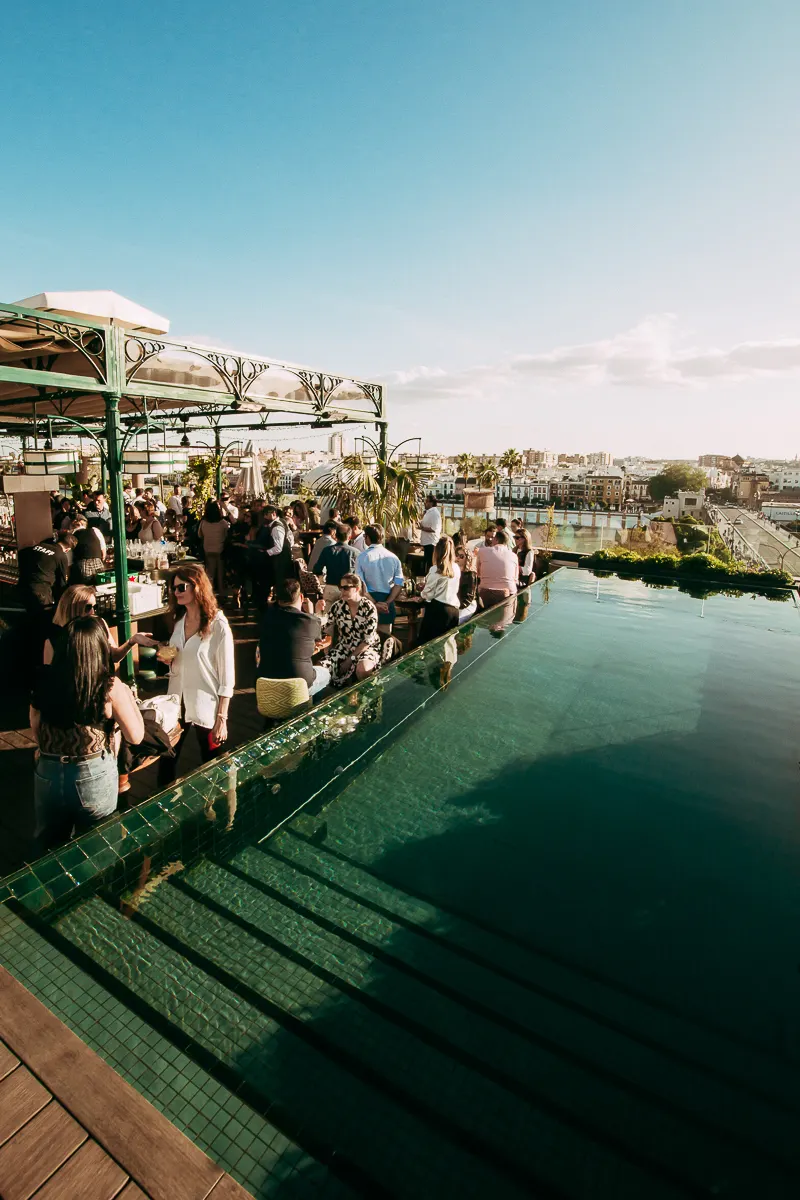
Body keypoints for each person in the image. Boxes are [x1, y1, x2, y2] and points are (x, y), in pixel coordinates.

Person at [30, 616, 144, 850]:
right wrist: (128, 695)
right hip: (91, 774)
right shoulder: (109, 686)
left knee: (49, 849)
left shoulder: (44, 680)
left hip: (48, 772)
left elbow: (36, 725)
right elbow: (136, 736)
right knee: (98, 849)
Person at [157, 564, 235, 784]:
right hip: (176, 702)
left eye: (181, 587)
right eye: (173, 588)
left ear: (197, 587)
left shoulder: (218, 625)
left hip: (206, 705)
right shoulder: (179, 622)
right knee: (166, 762)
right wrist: (167, 658)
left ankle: (223, 803)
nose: (176, 592)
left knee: (214, 765)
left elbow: (227, 677)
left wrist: (222, 719)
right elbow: (178, 655)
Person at [44, 584, 156, 666]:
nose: (93, 612)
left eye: (95, 607)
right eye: (88, 608)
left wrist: (132, 641)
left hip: (104, 686)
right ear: (73, 609)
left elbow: (114, 656)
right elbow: (50, 678)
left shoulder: (99, 624)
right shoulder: (54, 639)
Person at [257, 578, 329, 697]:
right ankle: (310, 706)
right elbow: (317, 640)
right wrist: (311, 613)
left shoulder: (267, 617)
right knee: (326, 674)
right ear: (301, 597)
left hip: (266, 683)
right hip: (298, 685)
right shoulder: (309, 621)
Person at [325, 574, 381, 687]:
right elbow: (324, 625)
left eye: (346, 588)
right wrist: (316, 612)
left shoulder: (369, 608)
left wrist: (350, 660)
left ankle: (366, 694)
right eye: (340, 587)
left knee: (363, 669)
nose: (342, 591)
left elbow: (368, 641)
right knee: (322, 667)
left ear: (357, 588)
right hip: (344, 647)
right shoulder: (337, 606)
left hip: (366, 648)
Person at [354, 524, 405, 635]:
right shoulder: (394, 558)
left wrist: (375, 603)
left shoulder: (362, 557)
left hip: (368, 601)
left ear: (367, 538)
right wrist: (387, 602)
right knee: (385, 639)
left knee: (366, 638)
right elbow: (399, 583)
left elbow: (360, 585)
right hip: (387, 601)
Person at [419, 536, 461, 642]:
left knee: (429, 643)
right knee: (449, 643)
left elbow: (428, 593)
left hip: (438, 610)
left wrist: (421, 595)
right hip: (454, 610)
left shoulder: (435, 569)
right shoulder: (456, 568)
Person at [476, 528, 518, 608]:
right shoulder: (514, 556)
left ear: (496, 540)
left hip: (485, 594)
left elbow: (478, 573)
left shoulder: (482, 551)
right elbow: (515, 578)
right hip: (508, 595)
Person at [315, 523, 361, 592]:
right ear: (349, 537)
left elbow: (317, 569)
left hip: (331, 587)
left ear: (336, 536)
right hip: (348, 589)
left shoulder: (327, 550)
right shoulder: (356, 552)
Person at [198, 499, 229, 594]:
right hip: (220, 550)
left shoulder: (203, 523)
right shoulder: (223, 523)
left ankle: (209, 594)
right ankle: (222, 593)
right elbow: (227, 534)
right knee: (220, 574)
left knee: (210, 574)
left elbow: (200, 535)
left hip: (208, 549)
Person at [69, 516, 105, 584]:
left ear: (72, 526)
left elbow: (69, 559)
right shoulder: (95, 530)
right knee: (100, 585)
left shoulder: (71, 536)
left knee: (85, 587)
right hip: (98, 562)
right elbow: (103, 550)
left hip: (82, 564)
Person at [455, 544, 478, 623]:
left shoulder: (470, 574)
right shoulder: (453, 572)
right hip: (455, 604)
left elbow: (469, 597)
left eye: (461, 556)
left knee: (457, 621)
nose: (458, 558)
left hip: (467, 605)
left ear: (467, 558)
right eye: (456, 555)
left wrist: (458, 606)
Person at [419, 495, 442, 572]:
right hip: (426, 542)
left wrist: (422, 528)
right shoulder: (428, 512)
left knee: (430, 564)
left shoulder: (434, 513)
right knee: (426, 563)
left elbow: (434, 529)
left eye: (426, 501)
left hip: (431, 543)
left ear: (431, 503)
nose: (425, 503)